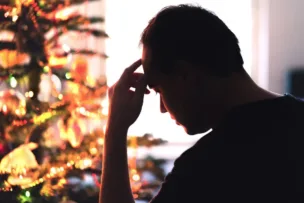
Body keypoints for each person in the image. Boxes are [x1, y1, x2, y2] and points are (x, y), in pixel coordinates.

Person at [100, 4, 304, 203]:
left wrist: (115, 129)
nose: (162, 108)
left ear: (185, 75)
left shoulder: (206, 167)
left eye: (159, 90)